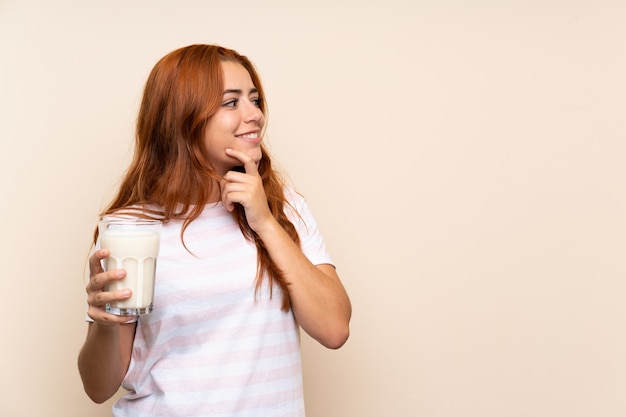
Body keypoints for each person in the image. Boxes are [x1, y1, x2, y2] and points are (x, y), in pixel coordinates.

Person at [77, 44, 351, 417]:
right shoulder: (132, 226)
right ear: (183, 116)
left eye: (254, 100)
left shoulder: (283, 206)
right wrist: (105, 322)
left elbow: (335, 329)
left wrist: (265, 222)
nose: (254, 115)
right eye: (231, 102)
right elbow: (98, 387)